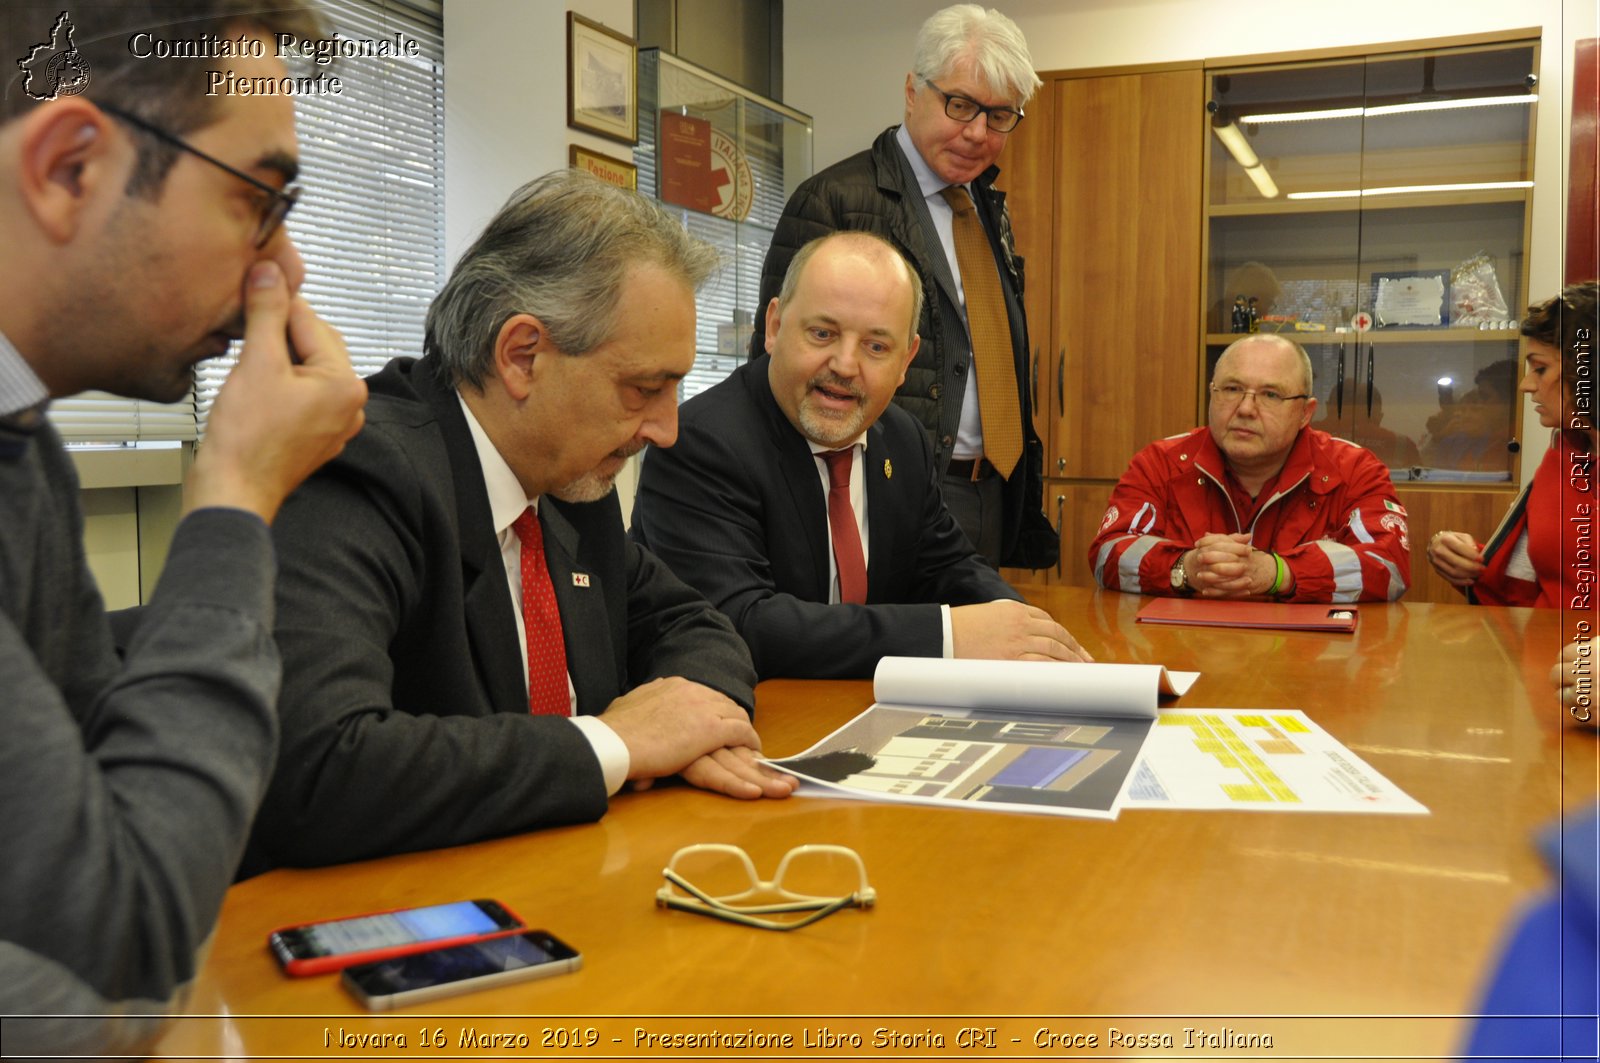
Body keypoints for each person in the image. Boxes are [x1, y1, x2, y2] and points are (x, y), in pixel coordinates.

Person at [0, 0, 367, 1051]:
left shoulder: (24, 447)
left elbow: (120, 855)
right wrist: (238, 495)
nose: (284, 271)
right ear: (70, 168)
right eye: (260, 202)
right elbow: (131, 933)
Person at [246, 171, 794, 873]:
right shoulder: (363, 473)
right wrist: (612, 743)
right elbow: (322, 765)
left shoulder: (566, 476)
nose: (665, 429)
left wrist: (694, 723)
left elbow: (692, 623)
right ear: (522, 355)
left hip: (568, 880)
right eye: (644, 388)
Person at [632, 232, 1088, 679]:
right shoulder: (700, 441)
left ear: (907, 359)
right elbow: (739, 623)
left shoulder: (901, 436)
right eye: (823, 333)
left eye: (876, 346)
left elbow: (947, 565)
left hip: (855, 710)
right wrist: (948, 635)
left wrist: (1020, 626)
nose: (845, 366)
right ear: (774, 327)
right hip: (740, 719)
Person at [752, 4, 1056, 571]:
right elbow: (772, 367)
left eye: (999, 115)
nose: (976, 132)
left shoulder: (986, 206)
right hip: (880, 491)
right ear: (912, 91)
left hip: (992, 490)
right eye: (960, 105)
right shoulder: (833, 201)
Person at [1089, 333, 1410, 602]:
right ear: (1212, 394)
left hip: (1307, 660)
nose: (1245, 409)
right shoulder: (1160, 462)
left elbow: (1390, 564)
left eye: (1270, 394)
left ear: (1305, 413)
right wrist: (1185, 568)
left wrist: (1278, 573)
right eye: (1231, 389)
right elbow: (1108, 554)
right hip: (1184, 650)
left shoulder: (1354, 469)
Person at [1427, 282, 1599, 608]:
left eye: (1540, 368)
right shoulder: (1563, 457)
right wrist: (1460, 558)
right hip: (1544, 653)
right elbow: (1524, 584)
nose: (1526, 384)